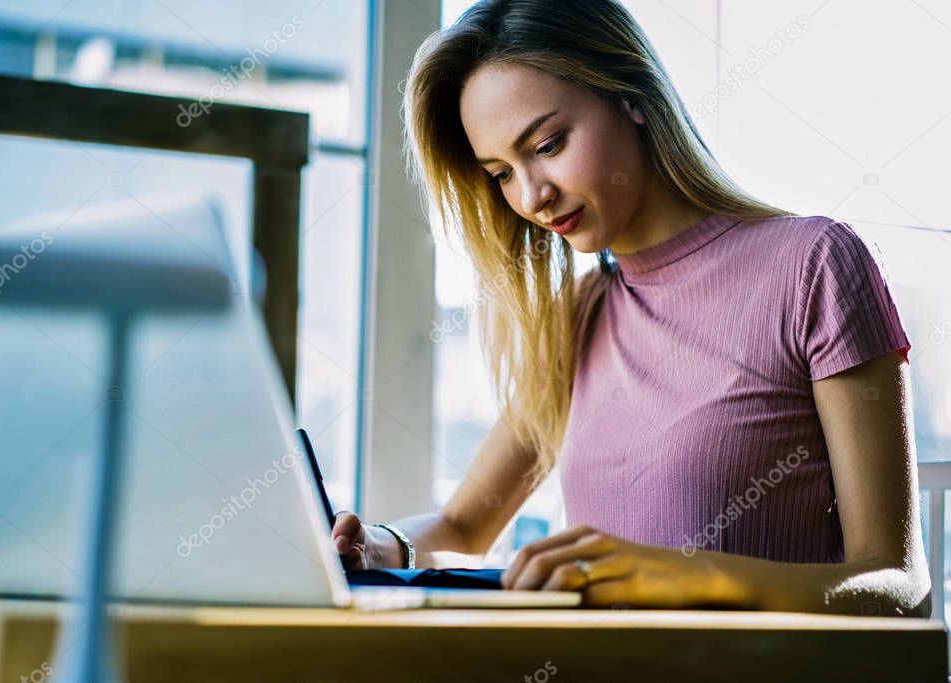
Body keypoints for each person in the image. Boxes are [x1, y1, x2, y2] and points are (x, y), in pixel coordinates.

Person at [332, 0, 930, 616]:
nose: (533, 196)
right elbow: (462, 529)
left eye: (548, 143)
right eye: (500, 173)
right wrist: (376, 548)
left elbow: (899, 587)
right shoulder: (576, 316)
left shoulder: (814, 265)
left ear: (632, 98)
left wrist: (691, 576)